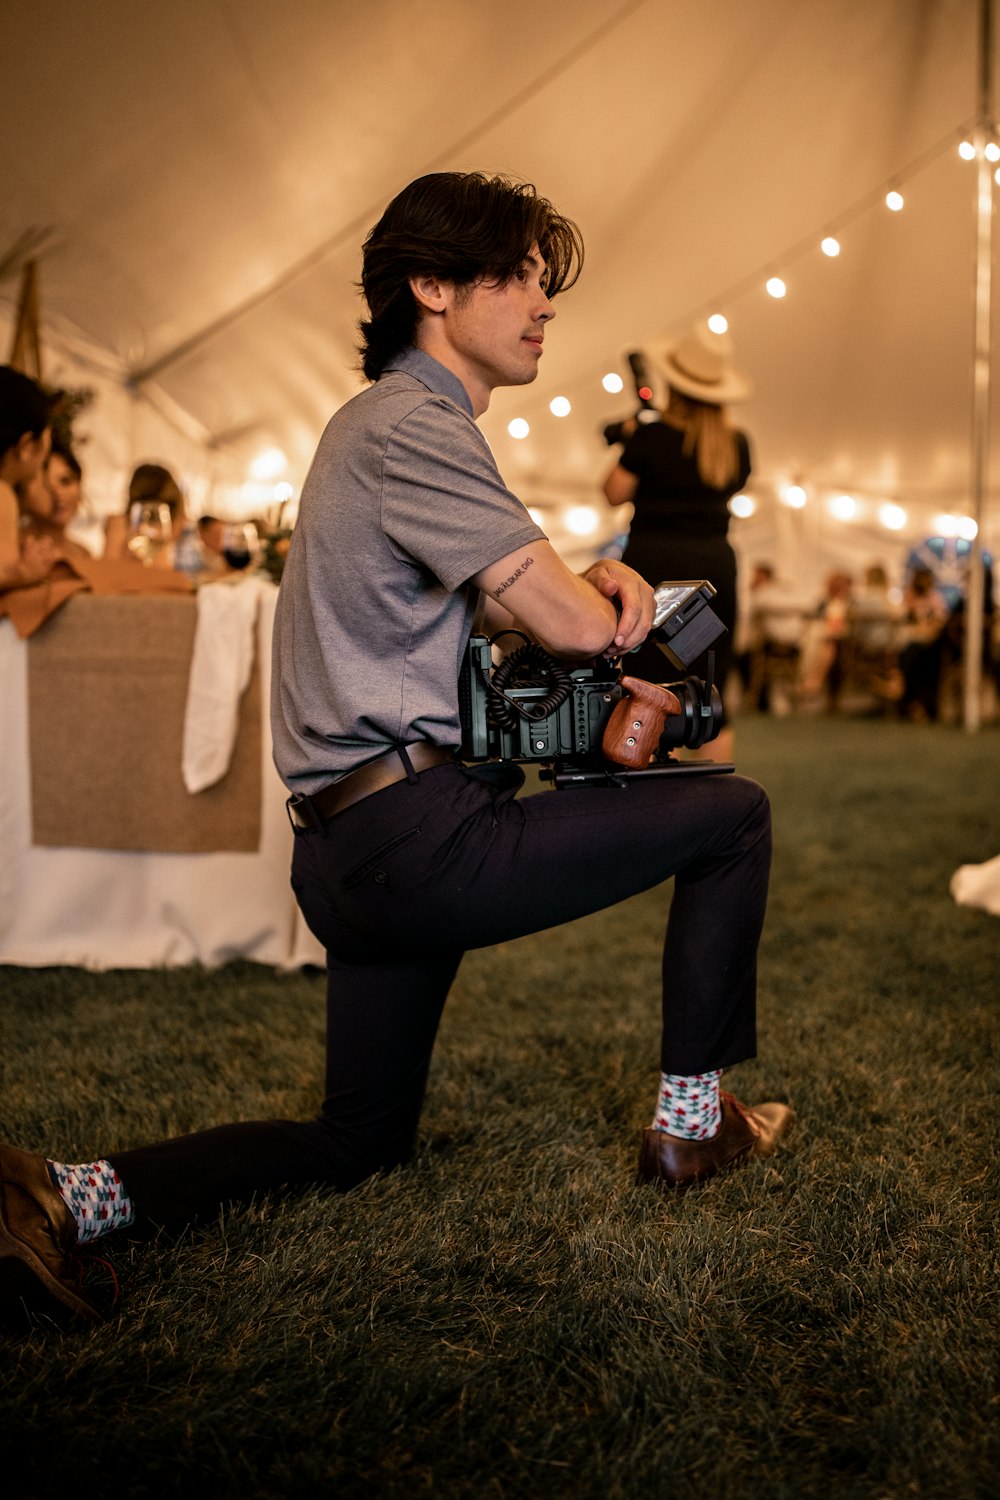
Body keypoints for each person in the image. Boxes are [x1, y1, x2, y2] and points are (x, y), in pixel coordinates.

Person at [0, 172, 791, 1326]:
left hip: (349, 851)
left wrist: (587, 581)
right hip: (422, 842)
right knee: (733, 814)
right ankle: (691, 1126)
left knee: (356, 1140)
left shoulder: (378, 431)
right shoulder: (412, 426)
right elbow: (568, 623)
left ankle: (65, 1193)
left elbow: (506, 606)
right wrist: (602, 596)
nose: (542, 302)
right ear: (431, 286)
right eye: (517, 275)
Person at [602, 323, 754, 764]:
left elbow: (612, 491)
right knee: (707, 686)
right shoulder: (737, 445)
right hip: (715, 568)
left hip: (657, 566)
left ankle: (643, 785)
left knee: (646, 677)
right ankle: (709, 800)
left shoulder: (651, 436)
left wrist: (633, 437)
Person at [0, 364, 58, 590]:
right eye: (47, 436)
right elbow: (3, 572)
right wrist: (27, 570)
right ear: (26, 446)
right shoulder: (2, 493)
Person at [20, 438, 93, 561]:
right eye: (46, 484)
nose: (58, 493)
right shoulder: (13, 547)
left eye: (66, 481)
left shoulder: (84, 554)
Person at [103, 461, 185, 565]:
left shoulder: (119, 523)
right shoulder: (120, 523)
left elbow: (108, 566)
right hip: (153, 579)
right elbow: (109, 566)